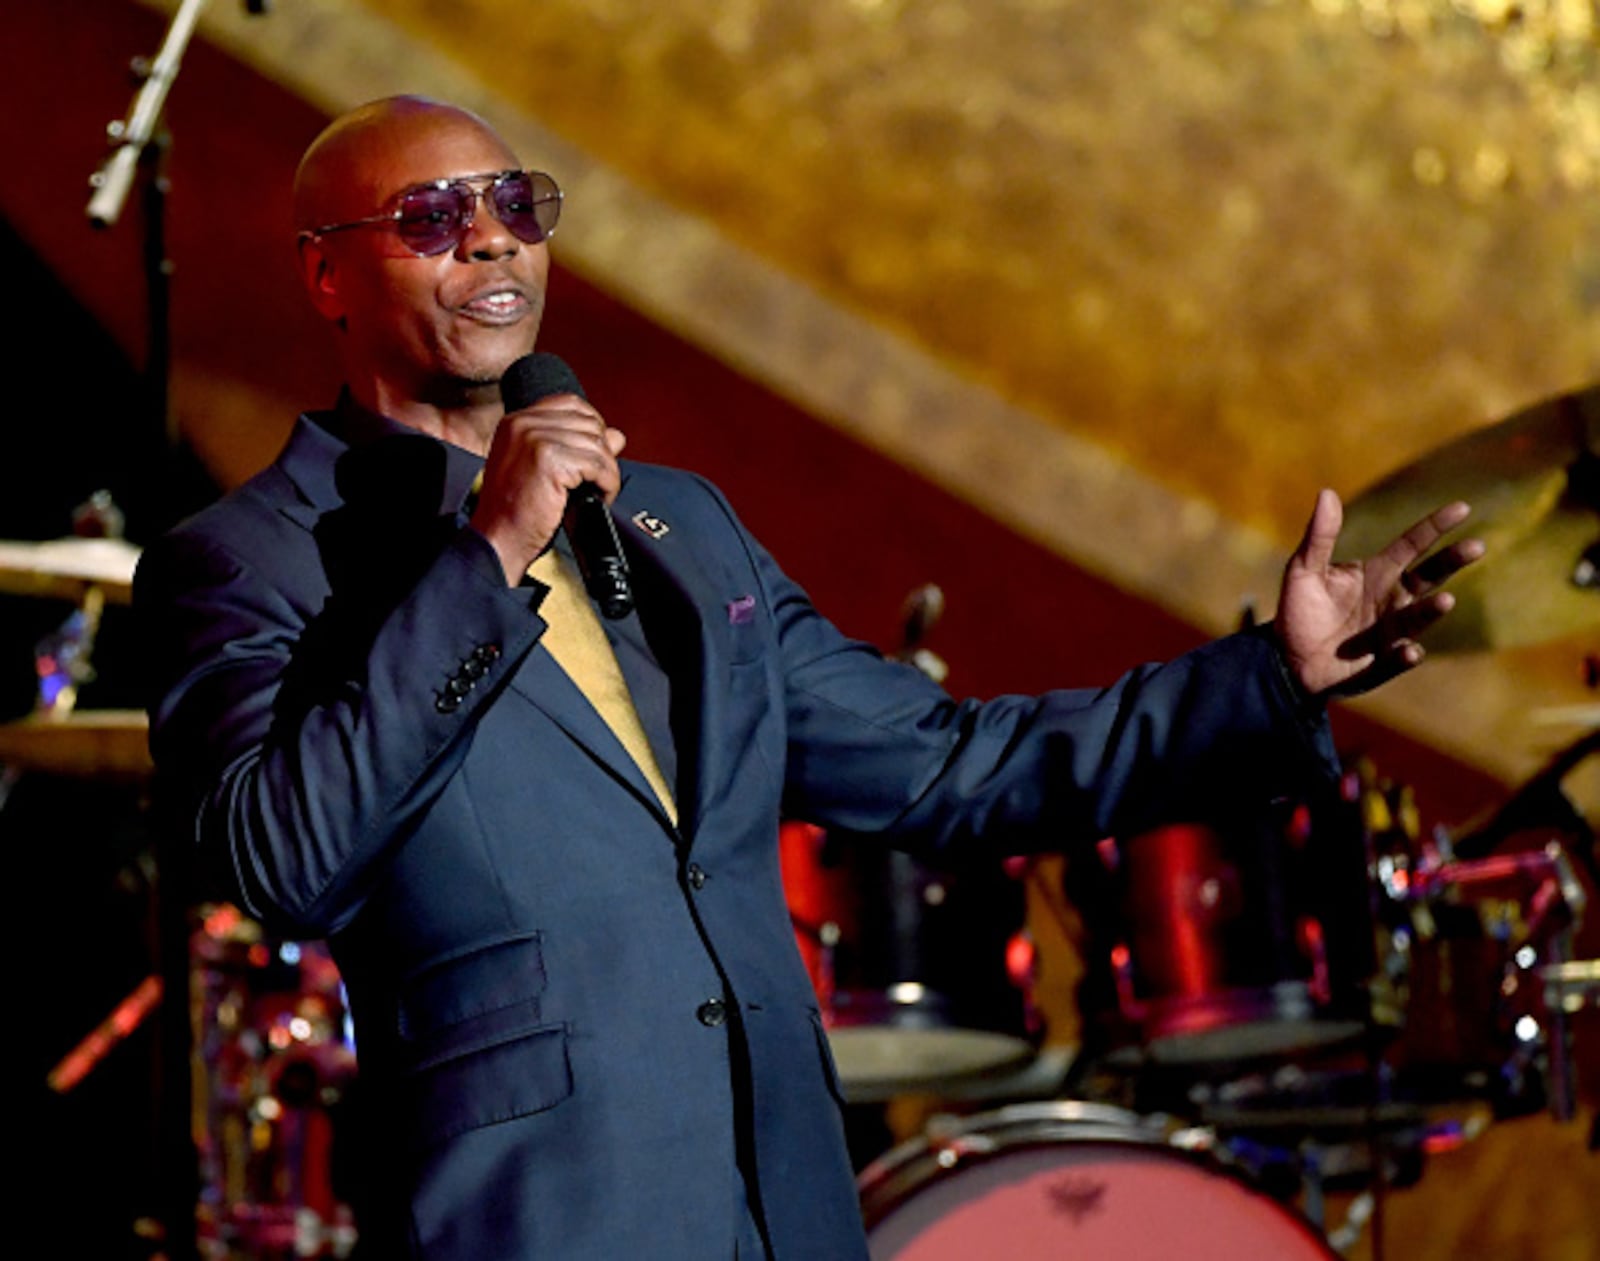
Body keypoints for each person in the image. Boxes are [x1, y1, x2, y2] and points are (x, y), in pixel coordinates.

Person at [134, 95, 1482, 1260]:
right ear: (325, 276)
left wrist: (1274, 676)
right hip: (537, 1216)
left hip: (783, 1198)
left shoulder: (677, 523)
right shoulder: (254, 559)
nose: (490, 237)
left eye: (514, 204)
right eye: (432, 216)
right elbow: (284, 854)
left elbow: (949, 761)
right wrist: (491, 548)